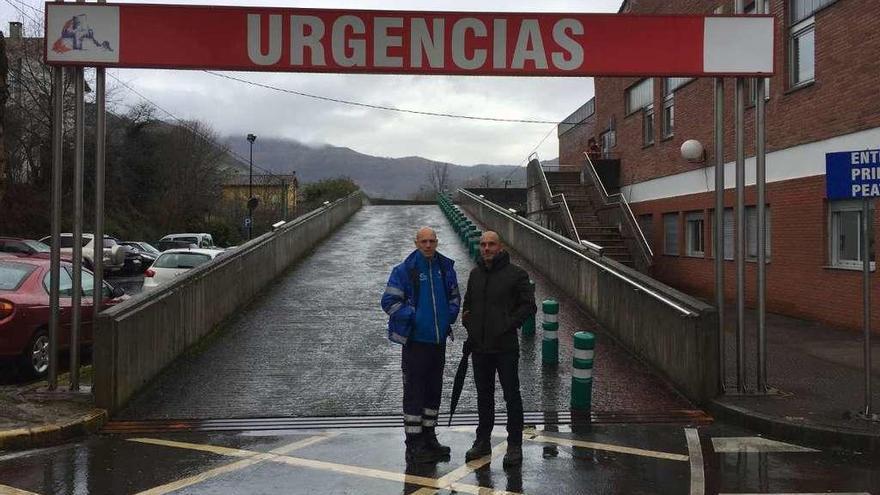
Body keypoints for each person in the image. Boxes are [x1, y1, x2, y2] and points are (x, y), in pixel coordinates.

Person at [381, 227, 461, 464]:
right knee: (414, 394)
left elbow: (454, 297)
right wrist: (413, 317)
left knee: (433, 392)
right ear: (416, 243)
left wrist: (449, 316)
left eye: (432, 241)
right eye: (424, 241)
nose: (428, 245)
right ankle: (413, 444)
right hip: (416, 343)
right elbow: (388, 301)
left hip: (438, 342)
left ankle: (429, 438)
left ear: (436, 243)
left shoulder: (444, 268)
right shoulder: (405, 270)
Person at [462, 231, 536, 467]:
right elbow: (468, 305)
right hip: (480, 348)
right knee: (484, 397)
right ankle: (482, 440)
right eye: (483, 244)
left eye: (491, 244)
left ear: (500, 247)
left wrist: (508, 324)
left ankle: (514, 445)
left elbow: (528, 306)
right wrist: (469, 323)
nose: (486, 248)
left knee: (511, 396)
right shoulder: (475, 275)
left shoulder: (516, 275)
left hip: (505, 347)